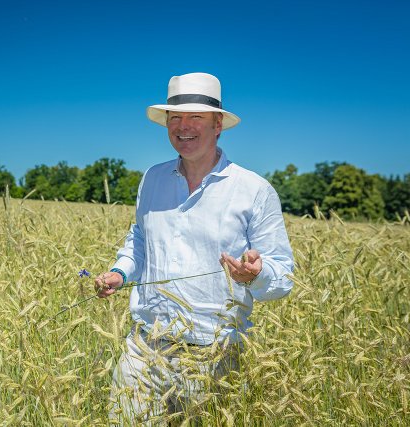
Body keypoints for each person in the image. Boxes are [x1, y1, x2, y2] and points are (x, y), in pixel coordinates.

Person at [94, 72, 294, 425]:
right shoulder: (152, 179)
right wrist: (120, 272)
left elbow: (283, 276)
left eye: (196, 117)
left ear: (218, 124)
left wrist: (255, 274)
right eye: (175, 118)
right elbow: (139, 240)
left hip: (214, 356)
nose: (183, 127)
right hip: (144, 348)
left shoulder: (254, 190)